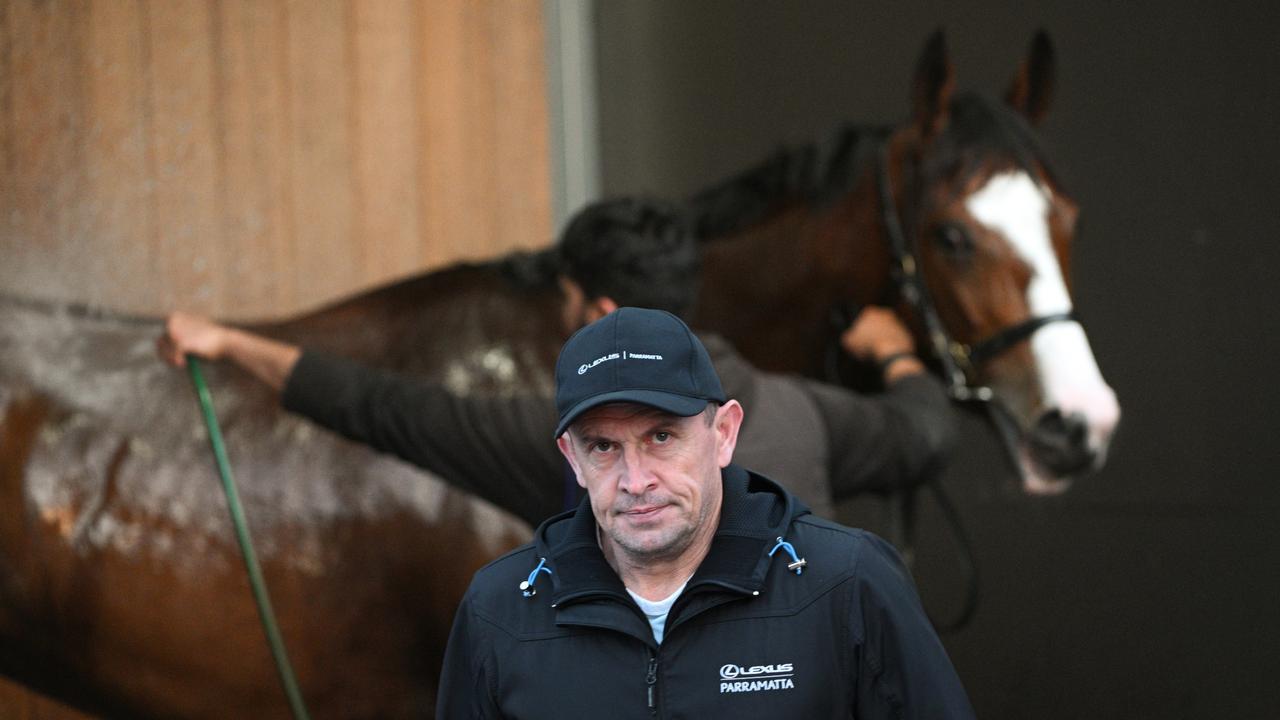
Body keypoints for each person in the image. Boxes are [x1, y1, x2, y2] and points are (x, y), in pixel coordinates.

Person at [157, 198, 954, 526]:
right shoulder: (804, 411)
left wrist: (230, 343)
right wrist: (892, 354)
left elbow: (385, 408)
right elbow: (924, 435)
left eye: (571, 311)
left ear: (602, 314)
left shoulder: (578, 454)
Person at [434, 306, 975, 718]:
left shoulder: (846, 584)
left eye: (661, 436)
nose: (636, 480)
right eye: (603, 447)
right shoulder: (499, 612)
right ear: (571, 459)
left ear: (724, 434)